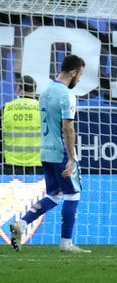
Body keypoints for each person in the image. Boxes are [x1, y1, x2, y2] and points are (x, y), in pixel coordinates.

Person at [8, 54, 90, 253]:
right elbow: (68, 128)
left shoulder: (45, 91)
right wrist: (71, 157)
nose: (79, 79)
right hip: (61, 153)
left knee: (54, 195)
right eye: (80, 75)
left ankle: (22, 223)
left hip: (45, 151)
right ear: (73, 72)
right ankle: (66, 242)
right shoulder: (66, 94)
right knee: (73, 194)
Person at [2, 75, 39, 168]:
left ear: (18, 87)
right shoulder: (43, 109)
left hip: (11, 163)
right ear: (35, 90)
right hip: (37, 163)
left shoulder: (5, 109)